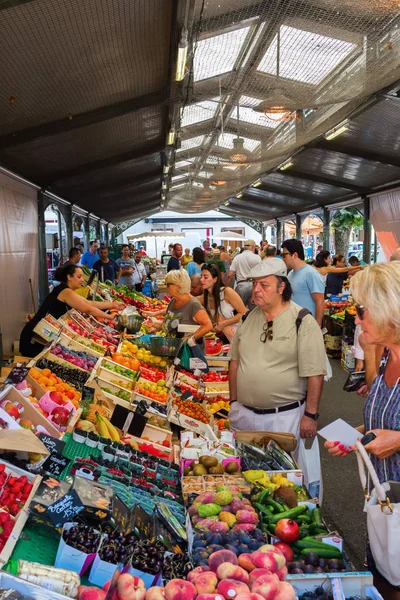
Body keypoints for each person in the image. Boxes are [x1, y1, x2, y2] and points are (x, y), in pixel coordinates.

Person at [324, 261, 400, 600]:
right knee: (384, 577)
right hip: (384, 505)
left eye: (361, 310)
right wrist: (360, 436)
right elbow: (384, 418)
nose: (355, 318)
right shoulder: (386, 356)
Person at [228, 258, 326, 439]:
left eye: (264, 285)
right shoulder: (247, 318)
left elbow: (315, 373)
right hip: (243, 416)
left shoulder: (302, 321)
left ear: (281, 288)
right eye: (254, 283)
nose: (256, 289)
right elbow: (234, 362)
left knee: (281, 467)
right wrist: (233, 402)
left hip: (284, 418)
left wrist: (310, 415)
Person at [19, 265, 124, 358]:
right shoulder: (66, 292)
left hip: (43, 332)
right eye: (79, 277)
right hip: (35, 335)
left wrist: (112, 304)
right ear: (69, 277)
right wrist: (110, 317)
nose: (82, 280)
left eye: (82, 276)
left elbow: (88, 303)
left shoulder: (66, 290)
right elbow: (87, 309)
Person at [158, 269, 212, 346]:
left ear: (178, 286)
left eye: (168, 284)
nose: (166, 287)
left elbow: (208, 325)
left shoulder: (193, 304)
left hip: (189, 353)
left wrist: (190, 338)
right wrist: (153, 324)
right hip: (173, 349)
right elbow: (169, 323)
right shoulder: (173, 301)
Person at [281, 239, 325, 326]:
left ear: (295, 255)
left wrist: (317, 326)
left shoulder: (311, 273)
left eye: (284, 255)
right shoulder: (290, 273)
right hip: (294, 323)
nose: (283, 258)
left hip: (307, 324)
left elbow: (320, 301)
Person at [199, 263, 247, 341]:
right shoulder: (205, 298)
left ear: (215, 279)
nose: (201, 280)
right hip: (230, 341)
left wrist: (224, 323)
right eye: (201, 276)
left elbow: (244, 313)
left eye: (205, 277)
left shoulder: (227, 292)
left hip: (243, 337)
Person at [225, 240, 261, 307]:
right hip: (253, 286)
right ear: (253, 247)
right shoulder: (257, 258)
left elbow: (230, 275)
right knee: (252, 311)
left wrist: (225, 287)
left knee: (240, 309)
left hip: (241, 286)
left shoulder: (237, 258)